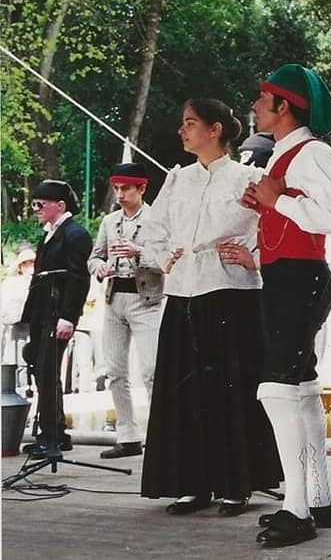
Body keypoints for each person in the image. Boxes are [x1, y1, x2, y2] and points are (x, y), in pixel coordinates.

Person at [140, 99, 281, 517]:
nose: (182, 132)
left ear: (215, 129)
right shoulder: (176, 179)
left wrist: (252, 255)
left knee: (230, 391)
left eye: (190, 124)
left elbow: (271, 225)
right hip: (184, 290)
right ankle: (192, 483)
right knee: (187, 393)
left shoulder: (250, 177)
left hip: (231, 292)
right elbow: (153, 230)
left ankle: (236, 484)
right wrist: (164, 256)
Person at [242, 63, 331, 548]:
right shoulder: (289, 154)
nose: (255, 106)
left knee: (276, 388)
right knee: (301, 386)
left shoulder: (311, 152)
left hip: (299, 279)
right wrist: (269, 202)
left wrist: (276, 201)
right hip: (290, 277)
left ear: (284, 106)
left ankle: (296, 507)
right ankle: (318, 498)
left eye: (262, 99)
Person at [87, 162, 164, 458]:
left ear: (142, 188)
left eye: (126, 188)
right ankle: (128, 435)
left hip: (147, 301)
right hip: (114, 298)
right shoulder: (110, 221)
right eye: (117, 188)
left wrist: (138, 252)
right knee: (115, 370)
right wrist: (100, 268)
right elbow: (94, 257)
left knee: (151, 370)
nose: (120, 194)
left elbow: (167, 258)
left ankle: (158, 433)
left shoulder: (157, 218)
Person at [19, 180, 92, 459]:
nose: (36, 209)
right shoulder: (49, 234)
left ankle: (50, 436)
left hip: (57, 314)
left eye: (41, 204)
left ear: (60, 206)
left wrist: (68, 316)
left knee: (49, 372)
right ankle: (56, 431)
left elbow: (77, 280)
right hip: (42, 312)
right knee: (41, 369)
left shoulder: (75, 235)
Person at [1, 246, 36, 371]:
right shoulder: (11, 283)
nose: (30, 268)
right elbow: (5, 305)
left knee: (31, 360)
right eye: (26, 264)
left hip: (33, 326)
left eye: (32, 264)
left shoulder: (39, 282)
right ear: (20, 267)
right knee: (15, 359)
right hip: (15, 327)